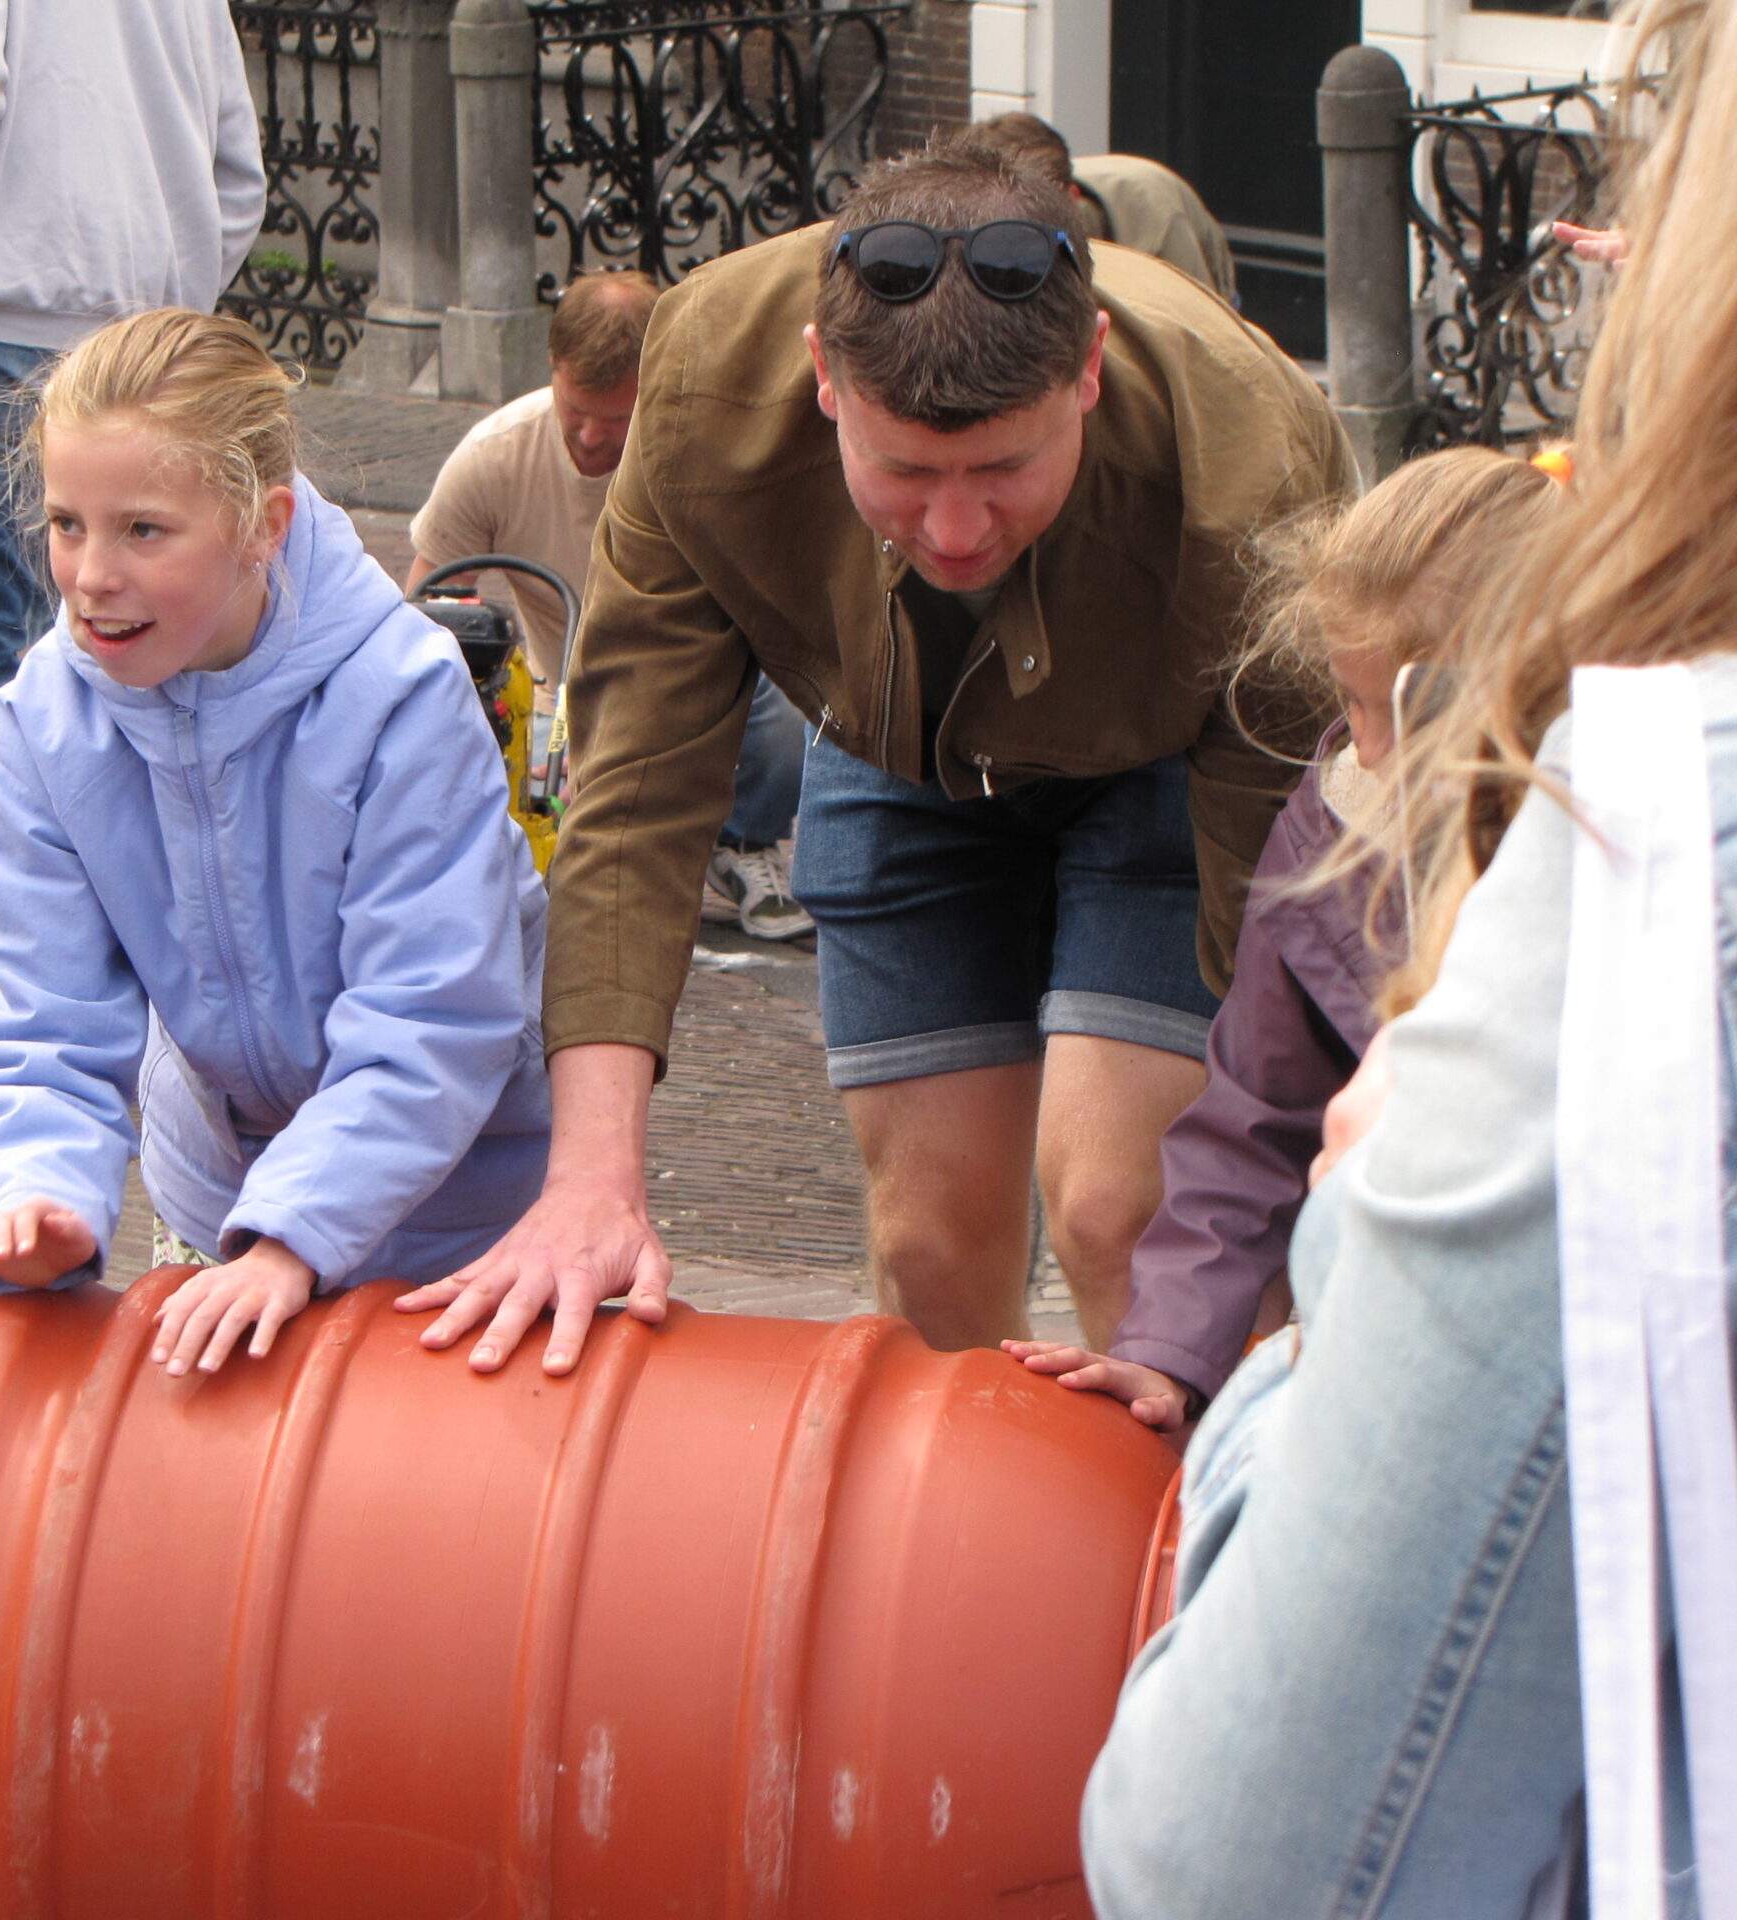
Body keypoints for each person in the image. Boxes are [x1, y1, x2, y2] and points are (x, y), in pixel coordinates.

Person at [1080, 0, 1737, 1904]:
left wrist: (1314, 1331)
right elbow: (1242, 1108)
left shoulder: (1643, 852)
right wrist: (1171, 1356)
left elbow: (1241, 1860)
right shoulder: (1326, 840)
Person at [399, 137, 1355, 1375]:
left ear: (1088, 378)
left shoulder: (1250, 462)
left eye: (1003, 470)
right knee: (929, 1251)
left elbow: (1273, 916)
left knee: (1132, 1217)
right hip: (895, 750)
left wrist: (1266, 1249)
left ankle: (1203, 1549)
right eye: (903, 474)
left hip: (1167, 768)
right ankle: (969, 1549)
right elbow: (637, 797)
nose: (955, 530)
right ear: (823, 382)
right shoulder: (698, 394)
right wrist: (588, 1184)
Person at [0, 310, 551, 1377]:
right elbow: (40, 1006)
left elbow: (432, 1012)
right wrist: (38, 1196)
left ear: (263, 523)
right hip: (224, 1204)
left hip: (462, 1217)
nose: (91, 576)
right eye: (67, 523)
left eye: (143, 531)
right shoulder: (49, 715)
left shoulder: (402, 695)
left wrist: (297, 1235)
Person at [1002, 446, 1565, 1431]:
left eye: (1412, 718)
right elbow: (1252, 1117)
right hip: (1407, 1316)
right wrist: (1168, 1356)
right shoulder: (1338, 811)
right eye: (1350, 708)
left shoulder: (1635, 825)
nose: (1372, 754)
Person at [0, 0, 265, 1124]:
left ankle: (4, 1019)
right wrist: (172, 303)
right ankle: (173, 1010)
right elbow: (232, 155)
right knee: (158, 660)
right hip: (145, 322)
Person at [409, 271, 812, 942]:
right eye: (576, 411)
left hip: (696, 669)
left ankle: (744, 842)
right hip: (560, 691)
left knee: (789, 700)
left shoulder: (706, 453)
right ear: (554, 369)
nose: (592, 438)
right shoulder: (493, 456)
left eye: (617, 420)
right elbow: (425, 613)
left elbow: (778, 601)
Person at [963, 112, 1239, 308]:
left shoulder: (1161, 225)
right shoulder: (985, 207)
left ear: (1071, 199)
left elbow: (1200, 327)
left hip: (1194, 285)